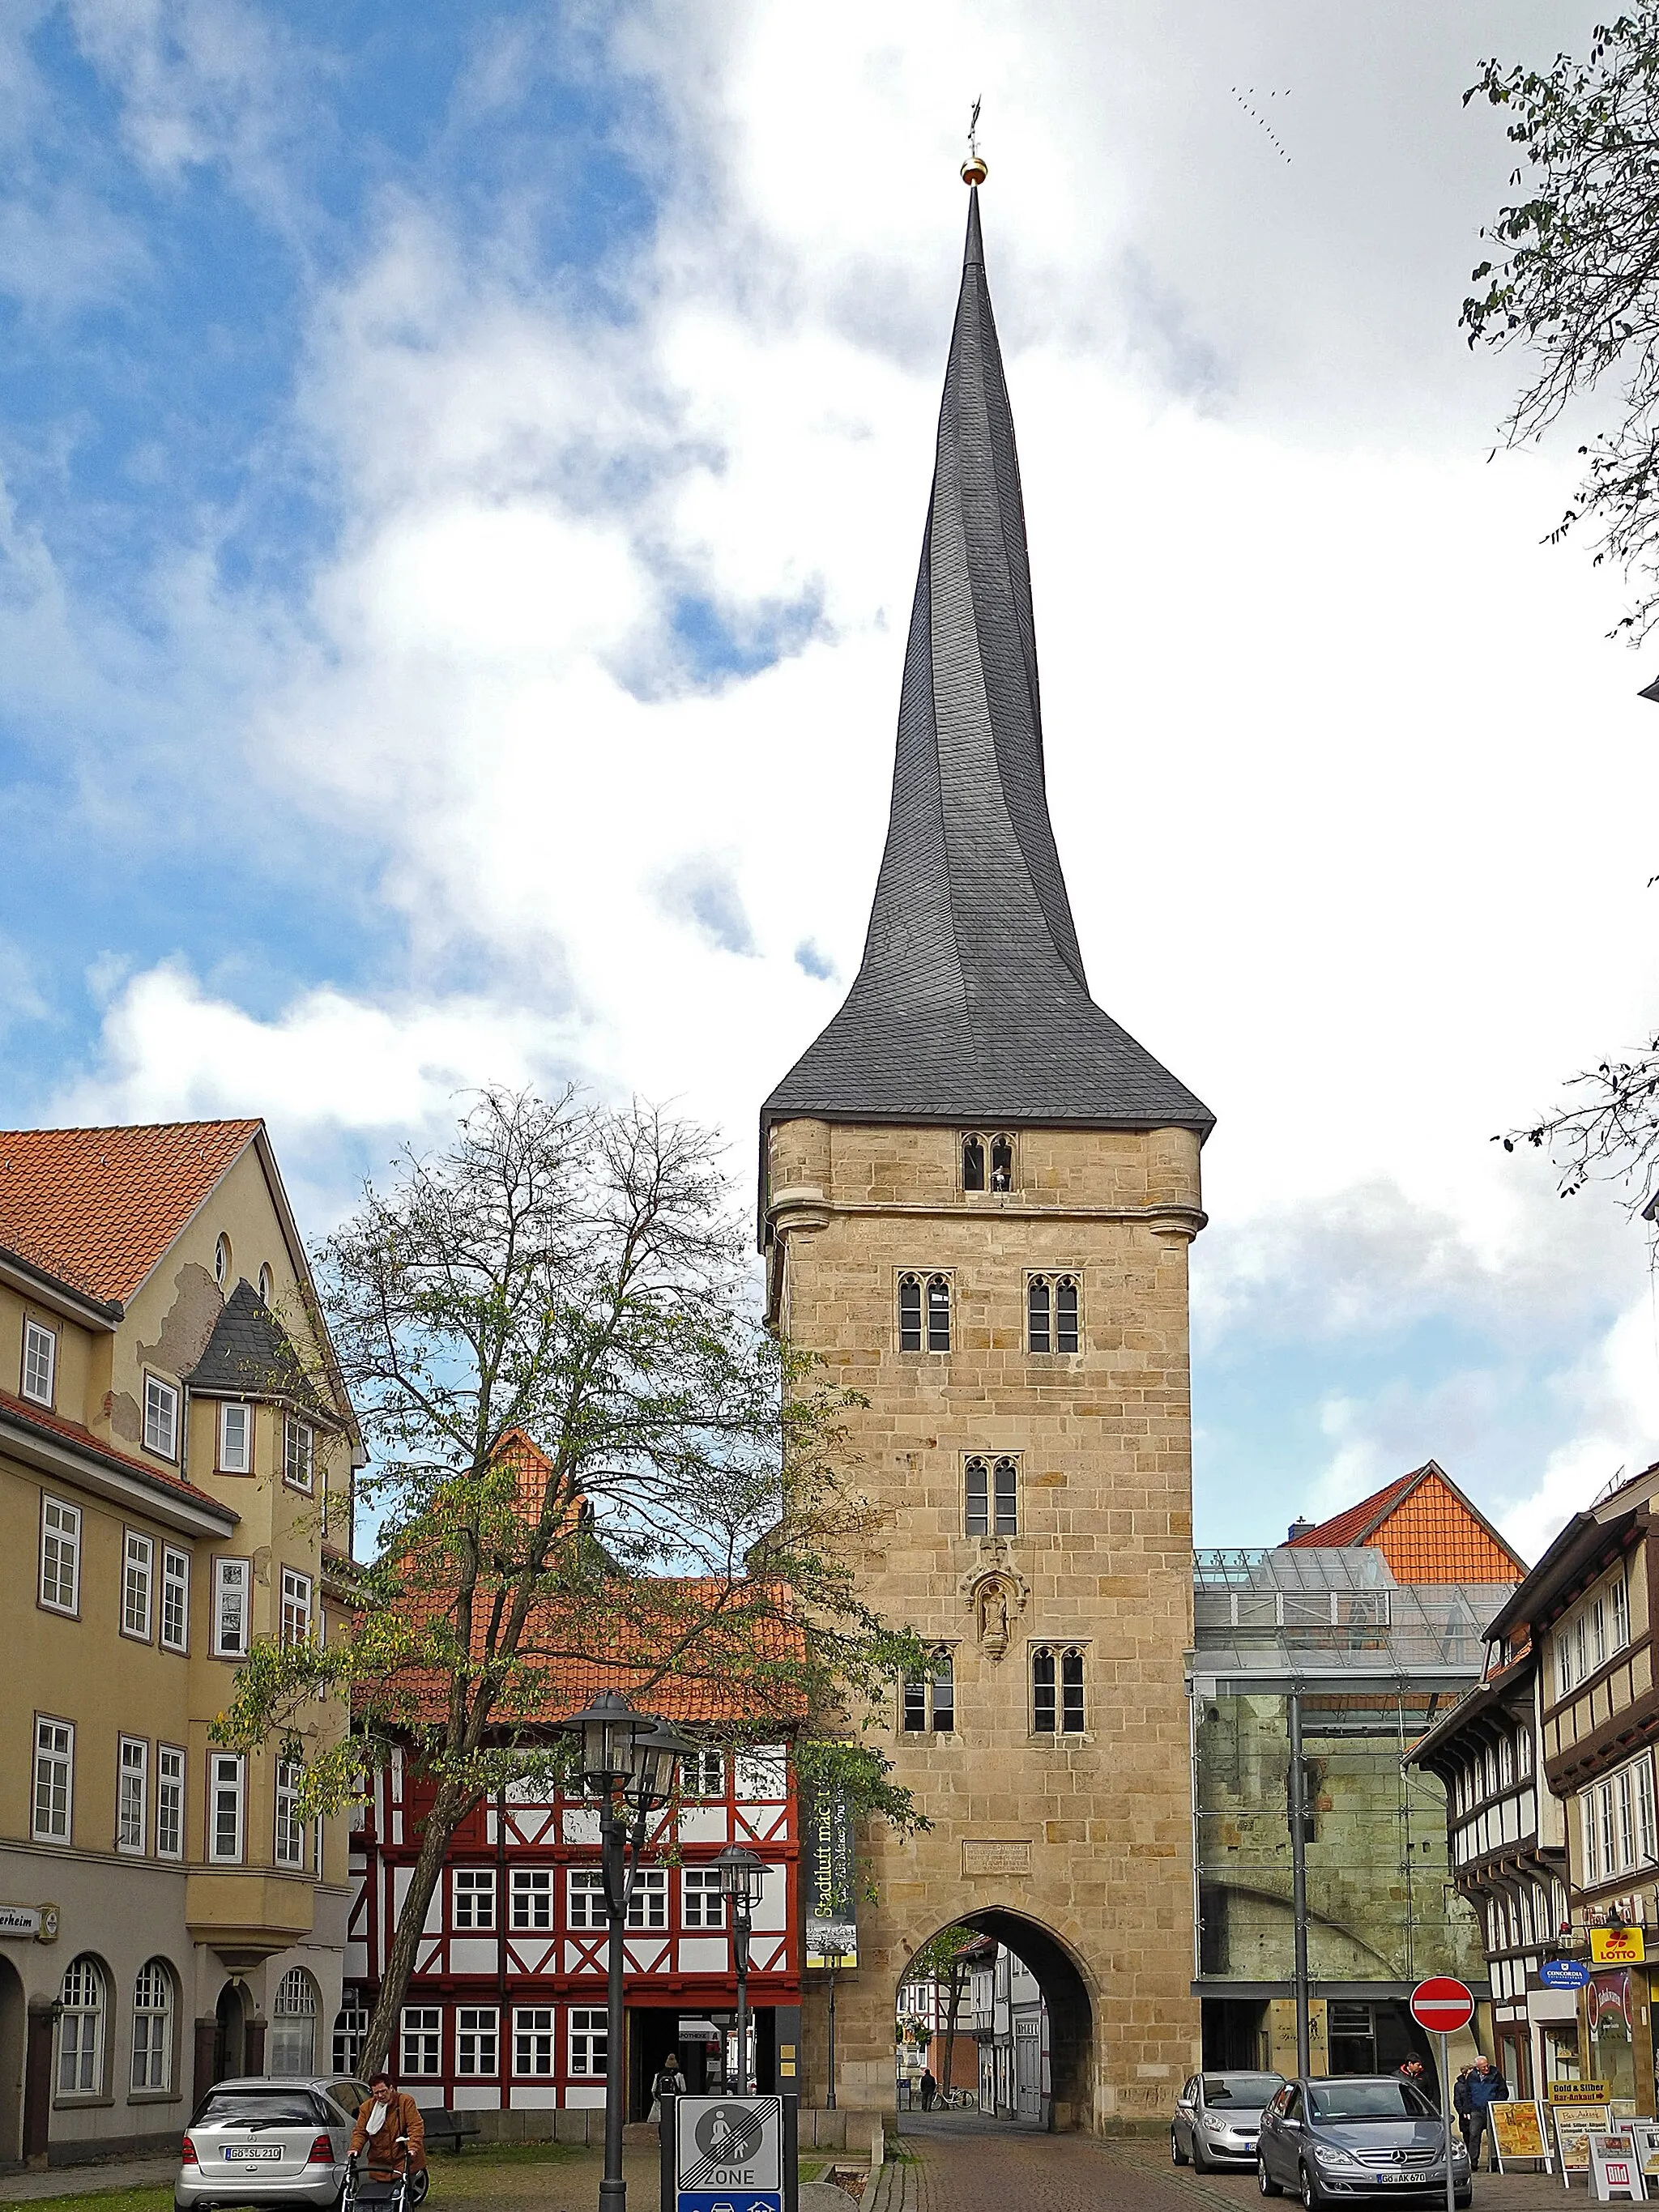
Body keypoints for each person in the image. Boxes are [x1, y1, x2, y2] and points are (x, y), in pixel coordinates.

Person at [350, 2072, 426, 2182]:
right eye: (376, 2093)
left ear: (391, 2088)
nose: (380, 2096)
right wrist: (355, 2148)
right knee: (381, 2195)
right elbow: (360, 2131)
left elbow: (415, 2126)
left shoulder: (405, 2102)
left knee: (403, 2193)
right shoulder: (366, 2108)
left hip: (402, 2157)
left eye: (383, 2091)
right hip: (380, 2161)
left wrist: (413, 2147)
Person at [1465, 2053, 1510, 2172]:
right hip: (1476, 2110)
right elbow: (1467, 2093)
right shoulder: (1472, 2077)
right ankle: (1473, 2162)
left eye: (1487, 2066)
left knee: (1492, 2137)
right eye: (1483, 2067)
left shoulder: (1496, 2075)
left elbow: (1503, 2091)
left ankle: (1493, 2162)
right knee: (1474, 2135)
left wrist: (1497, 2103)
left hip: (1491, 2109)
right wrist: (1467, 2109)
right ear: (1477, 2068)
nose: (1486, 2068)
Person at [650, 2050, 684, 2128]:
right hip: (674, 2102)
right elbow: (683, 2089)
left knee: (662, 2121)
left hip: (661, 2101)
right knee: (674, 2119)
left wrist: (657, 2099)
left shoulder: (658, 2075)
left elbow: (653, 2090)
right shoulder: (679, 2075)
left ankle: (663, 2136)